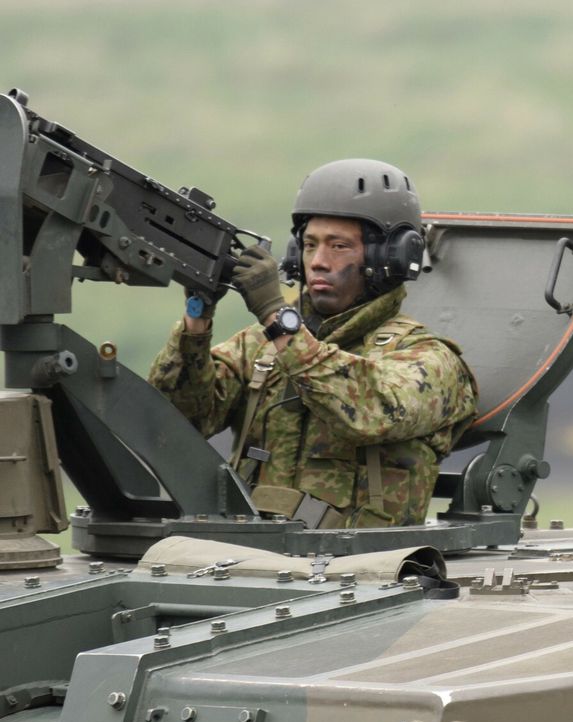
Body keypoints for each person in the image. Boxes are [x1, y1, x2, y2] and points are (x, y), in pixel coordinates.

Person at [149, 159, 477, 529]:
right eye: (309, 245)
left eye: (339, 246)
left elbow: (367, 412)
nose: (318, 262)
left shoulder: (432, 361)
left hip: (363, 571)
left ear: (389, 258)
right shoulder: (260, 346)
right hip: (251, 556)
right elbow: (179, 421)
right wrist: (197, 317)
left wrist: (276, 315)